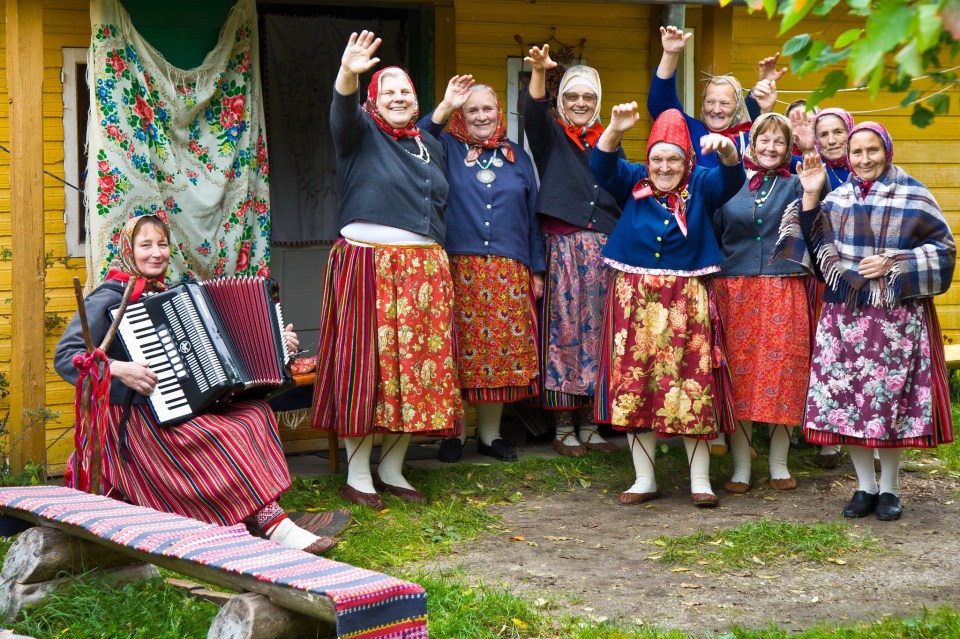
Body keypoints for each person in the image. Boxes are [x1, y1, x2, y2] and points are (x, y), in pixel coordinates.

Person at [54, 215, 337, 555]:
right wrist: (120, 368)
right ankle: (275, 525)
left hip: (171, 405)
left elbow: (227, 350)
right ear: (128, 250)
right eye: (145, 246)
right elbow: (66, 356)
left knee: (255, 413)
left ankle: (256, 512)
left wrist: (279, 342)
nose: (156, 253)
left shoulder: (169, 294)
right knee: (222, 432)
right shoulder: (109, 295)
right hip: (132, 417)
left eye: (162, 244)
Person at [311, 31, 462, 509]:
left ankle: (393, 468)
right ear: (374, 102)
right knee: (365, 370)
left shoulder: (429, 145)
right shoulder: (359, 133)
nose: (398, 97)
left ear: (417, 102)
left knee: (414, 373)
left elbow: (427, 150)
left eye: (406, 91)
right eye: (388, 90)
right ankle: (358, 476)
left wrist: (442, 112)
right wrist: (348, 72)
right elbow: (342, 111)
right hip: (366, 267)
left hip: (422, 273)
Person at [780, 122, 955, 521]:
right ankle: (864, 487)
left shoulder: (915, 193)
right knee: (848, 403)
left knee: (889, 403)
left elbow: (944, 249)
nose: (864, 159)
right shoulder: (837, 197)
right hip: (845, 315)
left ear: (886, 151)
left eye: (871, 150)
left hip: (895, 318)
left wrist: (895, 262)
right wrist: (810, 195)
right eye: (856, 152)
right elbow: (816, 250)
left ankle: (890, 489)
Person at [590, 105, 746, 507]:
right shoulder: (634, 178)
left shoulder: (703, 183)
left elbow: (733, 177)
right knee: (634, 382)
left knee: (693, 381)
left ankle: (700, 481)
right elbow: (601, 165)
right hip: (634, 299)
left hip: (686, 299)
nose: (663, 167)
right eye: (657, 158)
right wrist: (614, 128)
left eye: (673, 158)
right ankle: (644, 479)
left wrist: (727, 149)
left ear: (687, 160)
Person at [420, 79, 545, 463]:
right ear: (462, 114)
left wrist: (536, 269)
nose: (480, 116)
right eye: (472, 110)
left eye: (487, 109)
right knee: (459, 350)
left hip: (509, 268)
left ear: (498, 113)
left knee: (497, 354)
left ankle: (489, 436)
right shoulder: (445, 149)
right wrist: (443, 105)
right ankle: (454, 432)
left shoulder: (517, 157)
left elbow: (532, 218)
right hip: (459, 265)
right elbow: (418, 133)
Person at [522, 44, 621, 457]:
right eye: (572, 97)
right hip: (562, 249)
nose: (580, 104)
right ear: (561, 102)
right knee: (564, 335)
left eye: (588, 98)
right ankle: (564, 426)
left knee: (597, 336)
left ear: (598, 103)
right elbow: (532, 115)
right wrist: (540, 75)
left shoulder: (609, 141)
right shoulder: (551, 138)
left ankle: (590, 424)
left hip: (603, 251)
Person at [711, 113, 811, 493]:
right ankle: (741, 466)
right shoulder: (730, 182)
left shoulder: (799, 184)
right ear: (750, 144)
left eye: (779, 142)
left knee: (782, 374)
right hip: (734, 288)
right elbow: (715, 230)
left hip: (783, 286)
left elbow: (820, 216)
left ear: (788, 148)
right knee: (739, 377)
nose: (770, 148)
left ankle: (779, 463)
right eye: (763, 140)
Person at [789, 106, 857, 467]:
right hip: (821, 277)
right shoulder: (811, 167)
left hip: (863, 278)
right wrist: (802, 149)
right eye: (824, 134)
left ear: (851, 132)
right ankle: (828, 439)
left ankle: (868, 436)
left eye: (837, 132)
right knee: (826, 355)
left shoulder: (865, 168)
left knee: (861, 355)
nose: (831, 140)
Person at [648, 26, 751, 167]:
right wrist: (670, 54)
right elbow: (661, 105)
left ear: (738, 107)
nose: (716, 109)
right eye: (710, 102)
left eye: (725, 103)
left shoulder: (754, 139)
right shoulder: (691, 129)